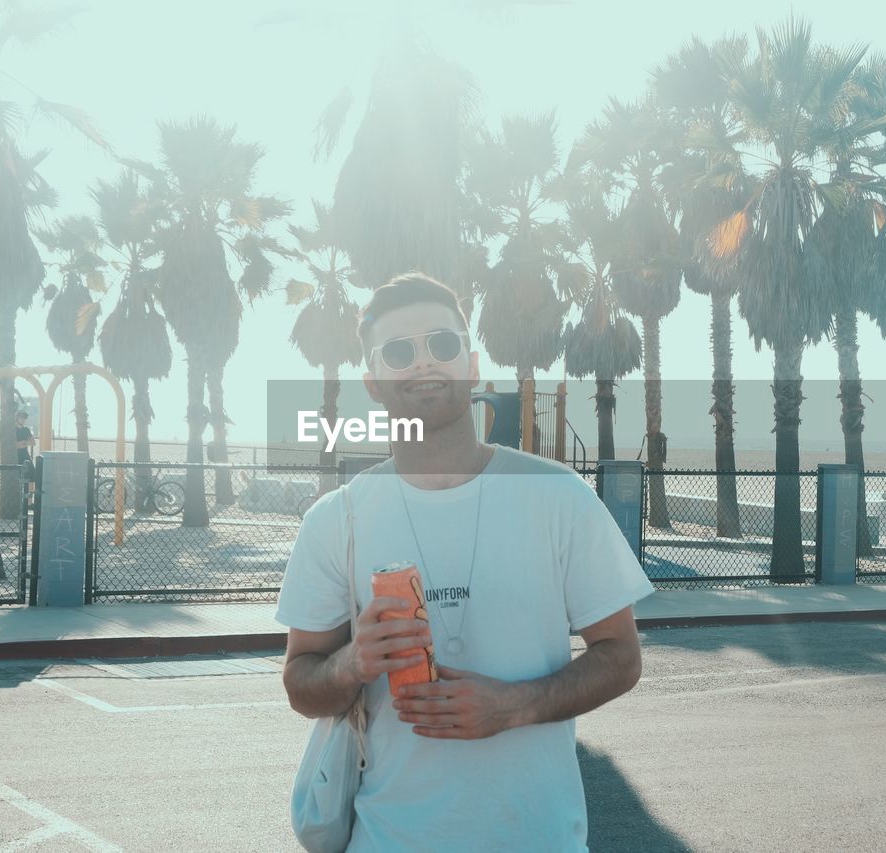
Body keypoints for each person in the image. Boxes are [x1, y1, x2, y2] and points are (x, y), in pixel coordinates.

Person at [276, 272, 652, 851]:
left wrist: (513, 706)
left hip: (538, 839)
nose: (424, 363)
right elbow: (302, 684)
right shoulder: (337, 519)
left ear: (472, 364)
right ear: (373, 382)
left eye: (442, 345)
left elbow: (622, 657)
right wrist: (353, 662)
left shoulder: (558, 496)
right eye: (399, 352)